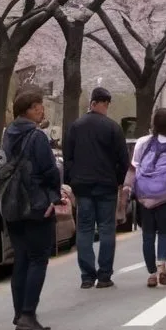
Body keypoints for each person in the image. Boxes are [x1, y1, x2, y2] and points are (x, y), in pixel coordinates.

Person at [3, 89, 64, 330]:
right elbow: (49, 171)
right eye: (38, 106)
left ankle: (20, 313)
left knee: (21, 258)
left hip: (12, 205)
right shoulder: (37, 137)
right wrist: (54, 196)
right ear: (28, 110)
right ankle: (29, 313)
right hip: (36, 203)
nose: (42, 110)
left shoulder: (8, 134)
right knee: (38, 258)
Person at [63, 86, 129, 289]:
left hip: (82, 185)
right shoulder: (113, 128)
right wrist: (117, 179)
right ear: (102, 104)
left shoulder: (76, 127)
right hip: (106, 185)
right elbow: (123, 159)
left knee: (84, 230)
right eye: (106, 104)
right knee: (107, 229)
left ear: (91, 103)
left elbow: (68, 157)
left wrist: (72, 180)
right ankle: (105, 275)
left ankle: (87, 276)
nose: (106, 108)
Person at [122, 108, 166, 287]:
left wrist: (128, 188)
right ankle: (161, 266)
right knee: (165, 232)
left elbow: (133, 167)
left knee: (148, 235)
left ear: (154, 123)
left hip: (144, 196)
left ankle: (151, 273)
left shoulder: (142, 142)